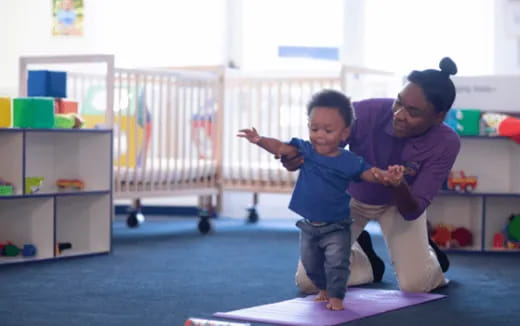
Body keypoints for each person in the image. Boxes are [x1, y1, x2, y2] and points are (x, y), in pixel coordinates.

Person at [284, 57, 461, 294]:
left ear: (439, 117)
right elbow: (323, 149)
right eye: (398, 102)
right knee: (311, 282)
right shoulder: (364, 113)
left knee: (416, 285)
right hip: (352, 199)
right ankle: (365, 260)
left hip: (400, 206)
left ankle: (428, 257)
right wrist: (297, 158)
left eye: (412, 112)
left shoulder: (446, 142)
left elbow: (412, 209)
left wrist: (398, 185)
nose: (398, 114)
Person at [238, 89, 404, 310]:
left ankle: (336, 296)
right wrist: (259, 140)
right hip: (309, 226)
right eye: (314, 129)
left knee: (337, 263)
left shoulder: (348, 161)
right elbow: (279, 147)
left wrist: (386, 176)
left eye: (328, 130)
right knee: (311, 264)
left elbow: (369, 173)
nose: (319, 135)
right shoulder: (305, 151)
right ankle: (323, 288)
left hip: (337, 226)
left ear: (344, 134)